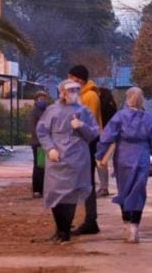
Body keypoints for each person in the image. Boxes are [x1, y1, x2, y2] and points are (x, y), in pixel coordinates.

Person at [96, 87, 152, 244]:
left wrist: (100, 155)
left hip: (123, 158)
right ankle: (135, 226)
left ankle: (127, 224)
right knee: (138, 191)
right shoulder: (148, 119)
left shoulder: (119, 117)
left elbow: (106, 137)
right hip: (141, 157)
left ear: (127, 98)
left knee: (124, 191)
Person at [36, 80, 99, 244]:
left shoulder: (83, 111)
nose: (73, 93)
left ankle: (65, 232)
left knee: (70, 195)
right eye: (70, 90)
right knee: (55, 193)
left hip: (77, 157)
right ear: (62, 92)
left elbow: (93, 133)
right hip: (57, 157)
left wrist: (81, 126)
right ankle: (59, 229)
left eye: (76, 90)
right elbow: (42, 131)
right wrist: (50, 148)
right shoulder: (52, 110)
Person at [67, 65, 103, 235]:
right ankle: (87, 219)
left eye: (72, 78)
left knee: (87, 183)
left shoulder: (90, 96)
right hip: (81, 144)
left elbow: (90, 122)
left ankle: (90, 220)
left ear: (79, 79)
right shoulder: (82, 95)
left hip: (88, 144)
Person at [28, 91, 50, 198]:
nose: (43, 101)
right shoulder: (35, 112)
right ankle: (37, 189)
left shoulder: (46, 111)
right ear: (36, 100)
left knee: (44, 166)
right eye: (41, 99)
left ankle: (43, 188)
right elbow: (33, 128)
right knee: (39, 166)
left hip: (45, 142)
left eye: (44, 99)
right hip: (38, 143)